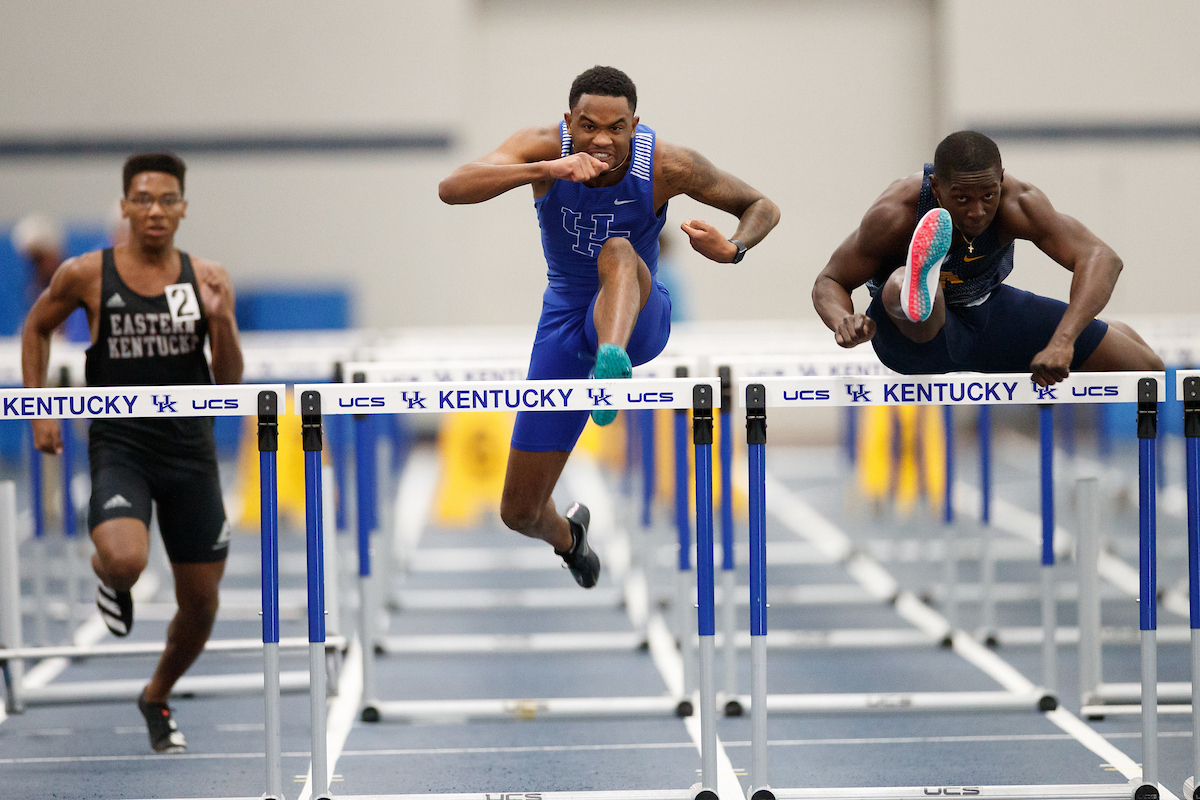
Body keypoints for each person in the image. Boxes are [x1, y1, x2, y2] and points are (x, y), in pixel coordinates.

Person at [439, 66, 779, 588]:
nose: (601, 139)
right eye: (588, 126)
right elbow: (452, 187)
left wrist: (732, 250)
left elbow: (761, 206)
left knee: (617, 250)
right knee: (520, 511)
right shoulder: (540, 146)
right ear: (568, 119)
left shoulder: (667, 165)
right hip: (565, 322)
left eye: (616, 128)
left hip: (637, 315)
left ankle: (611, 366)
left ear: (635, 124)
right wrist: (548, 170)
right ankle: (570, 539)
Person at [21, 153, 242, 753]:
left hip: (191, 453)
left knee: (200, 606)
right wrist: (39, 405)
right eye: (143, 199)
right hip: (123, 445)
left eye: (167, 200)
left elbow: (229, 383)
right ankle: (108, 579)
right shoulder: (86, 274)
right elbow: (36, 327)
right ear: (124, 207)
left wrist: (221, 323)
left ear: (183, 209)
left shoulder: (207, 278)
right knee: (125, 560)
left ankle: (156, 694)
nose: (155, 210)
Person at [812, 130, 1163, 386]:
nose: (978, 212)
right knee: (900, 285)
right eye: (961, 198)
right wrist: (843, 319)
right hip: (910, 340)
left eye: (988, 195)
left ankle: (1111, 331)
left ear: (1001, 180)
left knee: (1147, 368)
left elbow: (1102, 258)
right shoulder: (895, 213)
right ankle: (915, 286)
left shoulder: (1019, 203)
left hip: (989, 314)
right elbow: (830, 280)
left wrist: (1063, 341)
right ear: (936, 188)